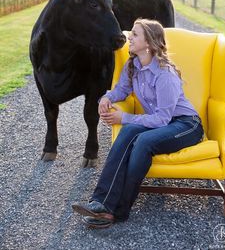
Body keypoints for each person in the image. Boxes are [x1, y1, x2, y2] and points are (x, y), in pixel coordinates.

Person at [72, 18, 204, 228]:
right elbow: (121, 90)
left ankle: (118, 211)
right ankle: (100, 203)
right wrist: (106, 98)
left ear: (149, 44)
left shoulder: (165, 74)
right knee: (129, 131)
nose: (129, 38)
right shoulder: (133, 65)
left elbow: (162, 118)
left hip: (186, 126)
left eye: (134, 34)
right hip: (164, 122)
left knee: (142, 141)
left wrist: (123, 117)